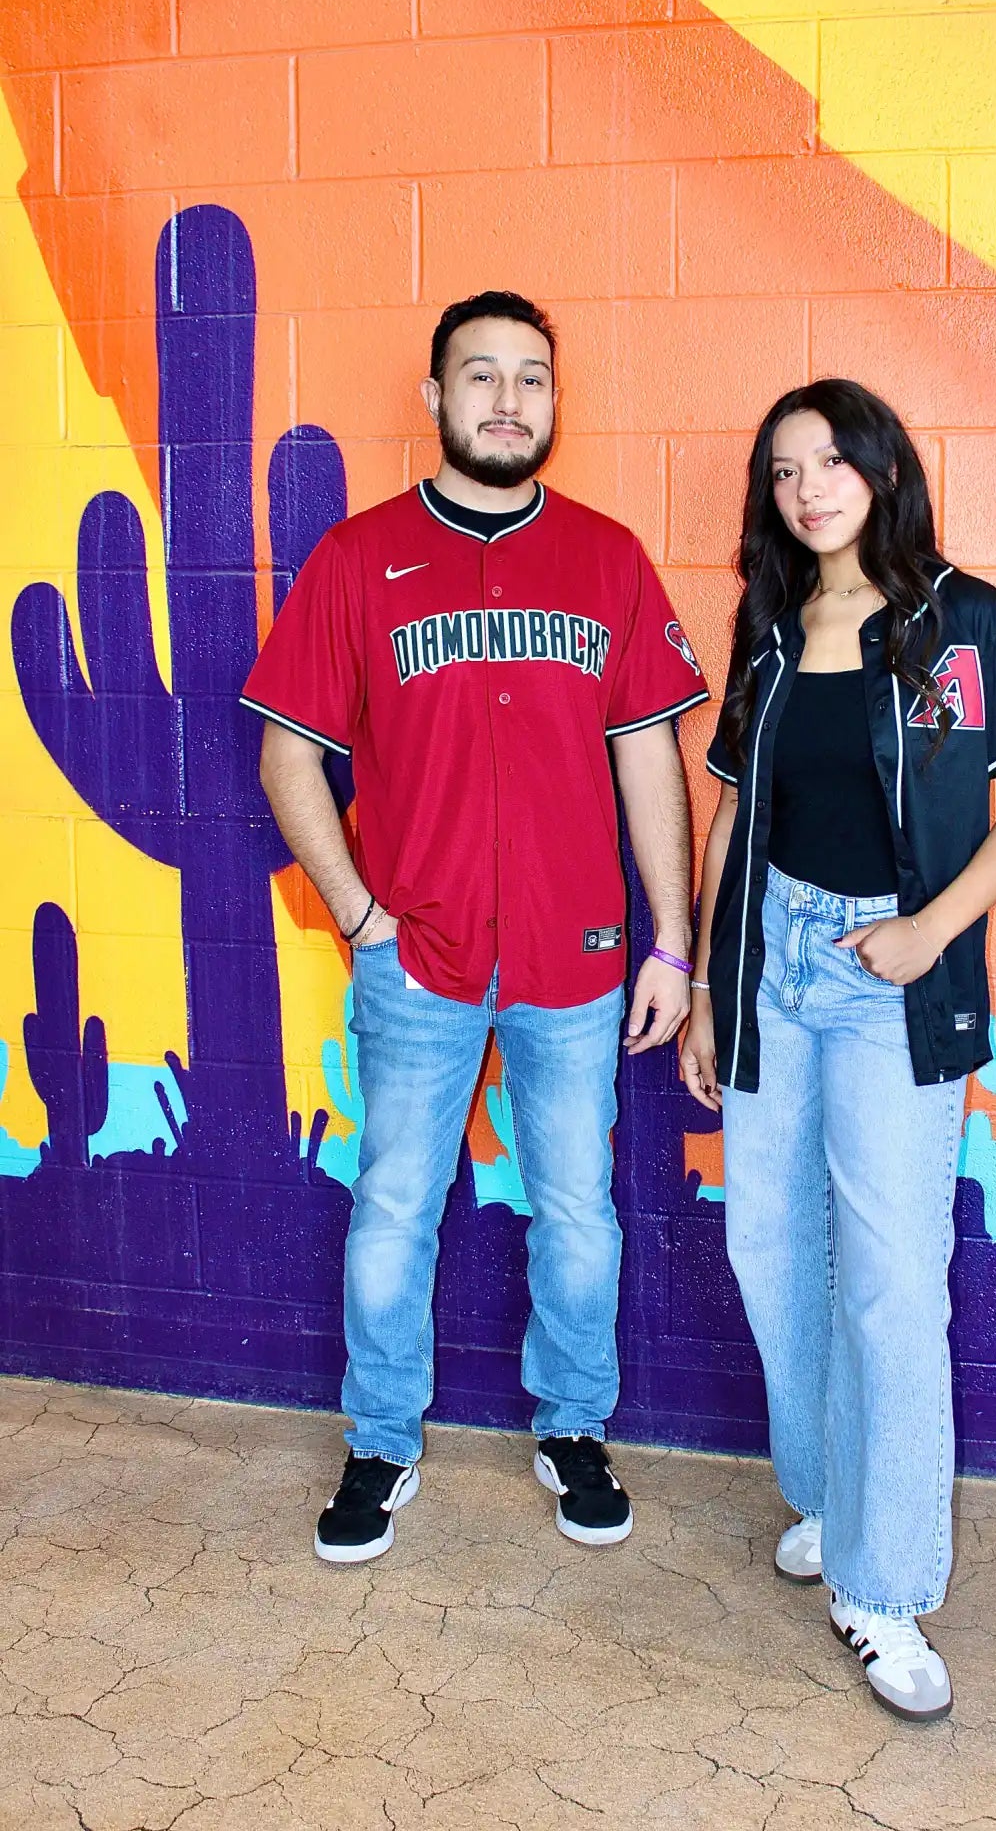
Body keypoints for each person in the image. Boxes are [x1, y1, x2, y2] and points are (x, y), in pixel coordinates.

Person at [243, 290, 708, 1563]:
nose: (509, 399)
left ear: (555, 401)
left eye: (533, 378)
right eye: (482, 375)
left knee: (579, 1210)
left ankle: (573, 1426)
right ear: (436, 397)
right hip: (420, 957)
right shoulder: (357, 557)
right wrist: (361, 913)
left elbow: (651, 760)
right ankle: (382, 1437)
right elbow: (289, 752)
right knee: (395, 1202)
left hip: (576, 957)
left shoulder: (607, 560)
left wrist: (674, 942)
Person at [681, 379, 996, 1721]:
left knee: (892, 1280)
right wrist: (713, 990)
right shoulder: (771, 628)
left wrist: (927, 930)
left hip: (889, 979)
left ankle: (884, 1584)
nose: (809, 488)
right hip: (773, 963)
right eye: (784, 470)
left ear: (880, 469)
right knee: (769, 1244)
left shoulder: (965, 623)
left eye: (832, 461)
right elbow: (731, 813)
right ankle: (835, 1501)